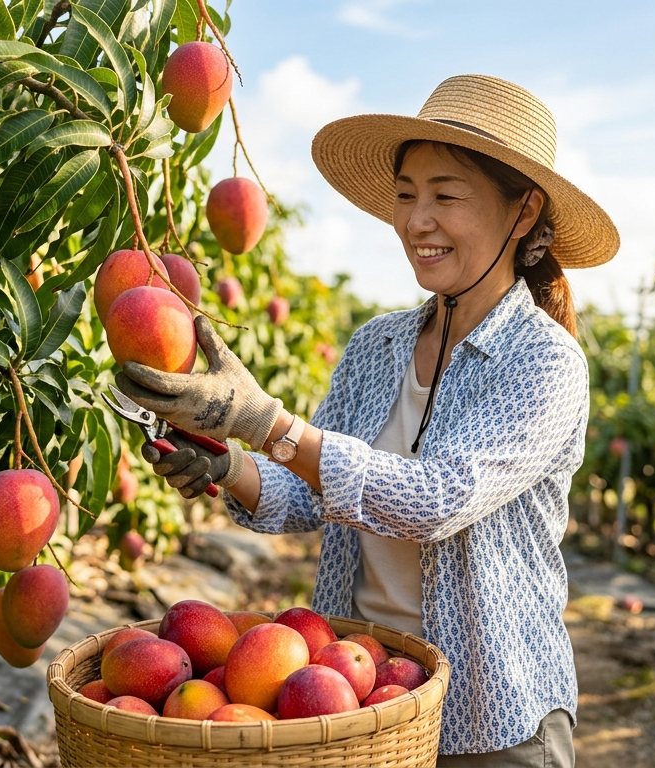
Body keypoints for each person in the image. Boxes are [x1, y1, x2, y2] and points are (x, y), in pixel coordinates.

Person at [115, 74, 618, 767]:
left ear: (524, 211)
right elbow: (309, 493)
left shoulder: (544, 362)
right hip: (361, 696)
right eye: (406, 195)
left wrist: (264, 422)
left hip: (494, 716)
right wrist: (228, 464)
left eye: (445, 196)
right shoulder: (376, 347)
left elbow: (435, 501)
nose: (416, 220)